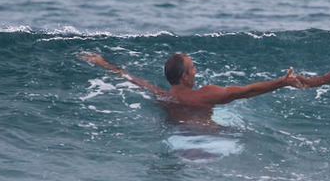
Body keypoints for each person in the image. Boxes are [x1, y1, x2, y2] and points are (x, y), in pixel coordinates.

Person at [78, 51, 302, 125]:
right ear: (184, 76)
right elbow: (247, 91)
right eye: (193, 68)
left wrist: (102, 63)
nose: (196, 71)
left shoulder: (162, 96)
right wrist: (281, 82)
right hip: (212, 140)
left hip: (179, 141)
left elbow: (130, 78)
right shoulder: (205, 95)